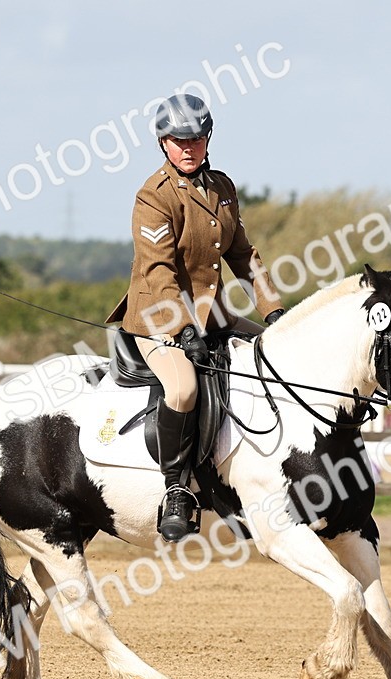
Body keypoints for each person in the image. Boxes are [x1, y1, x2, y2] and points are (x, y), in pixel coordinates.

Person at [106, 93, 285, 543]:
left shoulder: (222, 188)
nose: (188, 148)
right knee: (183, 388)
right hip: (158, 318)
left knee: (277, 353)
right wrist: (183, 328)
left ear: (208, 139)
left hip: (214, 314)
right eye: (178, 141)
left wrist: (274, 310)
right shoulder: (154, 196)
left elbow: (243, 256)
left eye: (196, 139)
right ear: (163, 143)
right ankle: (177, 490)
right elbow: (158, 270)